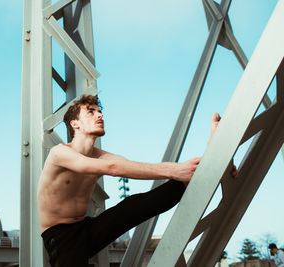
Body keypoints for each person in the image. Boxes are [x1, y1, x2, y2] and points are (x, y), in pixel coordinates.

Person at [37, 94, 234, 267]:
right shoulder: (60, 153)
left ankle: (211, 159)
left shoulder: (101, 155)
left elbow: (133, 167)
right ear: (75, 124)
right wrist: (176, 169)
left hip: (86, 228)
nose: (100, 115)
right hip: (60, 238)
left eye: (99, 111)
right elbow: (112, 169)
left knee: (134, 205)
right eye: (91, 112)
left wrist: (199, 168)